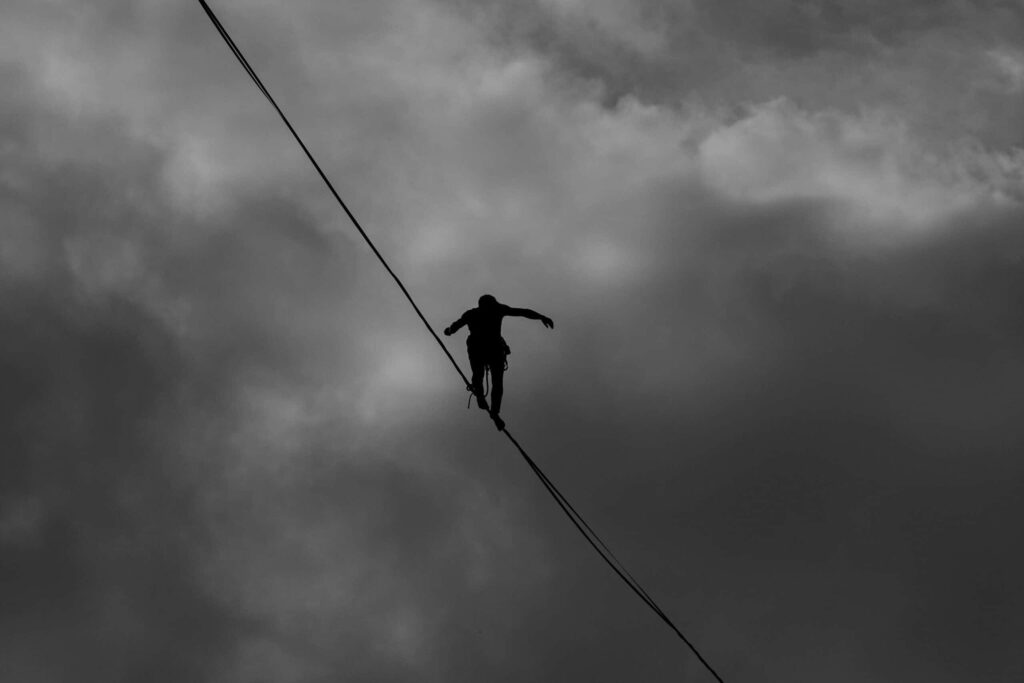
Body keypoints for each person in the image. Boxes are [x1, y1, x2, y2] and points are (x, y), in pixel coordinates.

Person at [444, 294, 554, 430]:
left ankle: (485, 400)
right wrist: (541, 317)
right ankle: (489, 406)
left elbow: (456, 325)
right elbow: (522, 312)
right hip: (488, 348)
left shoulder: (475, 313)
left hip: (483, 348)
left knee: (484, 376)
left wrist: (449, 331)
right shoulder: (494, 310)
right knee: (493, 381)